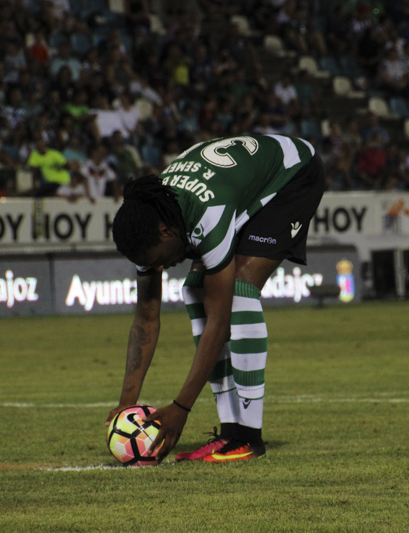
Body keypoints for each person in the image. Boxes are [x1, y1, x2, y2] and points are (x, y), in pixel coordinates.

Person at [107, 134, 325, 463]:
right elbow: (146, 318)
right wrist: (127, 403)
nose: (161, 267)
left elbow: (220, 322)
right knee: (194, 289)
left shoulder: (207, 213)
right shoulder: (147, 225)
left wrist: (181, 407)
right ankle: (229, 434)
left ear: (167, 232)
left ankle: (248, 438)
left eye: (159, 260)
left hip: (292, 176)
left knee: (239, 289)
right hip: (239, 184)